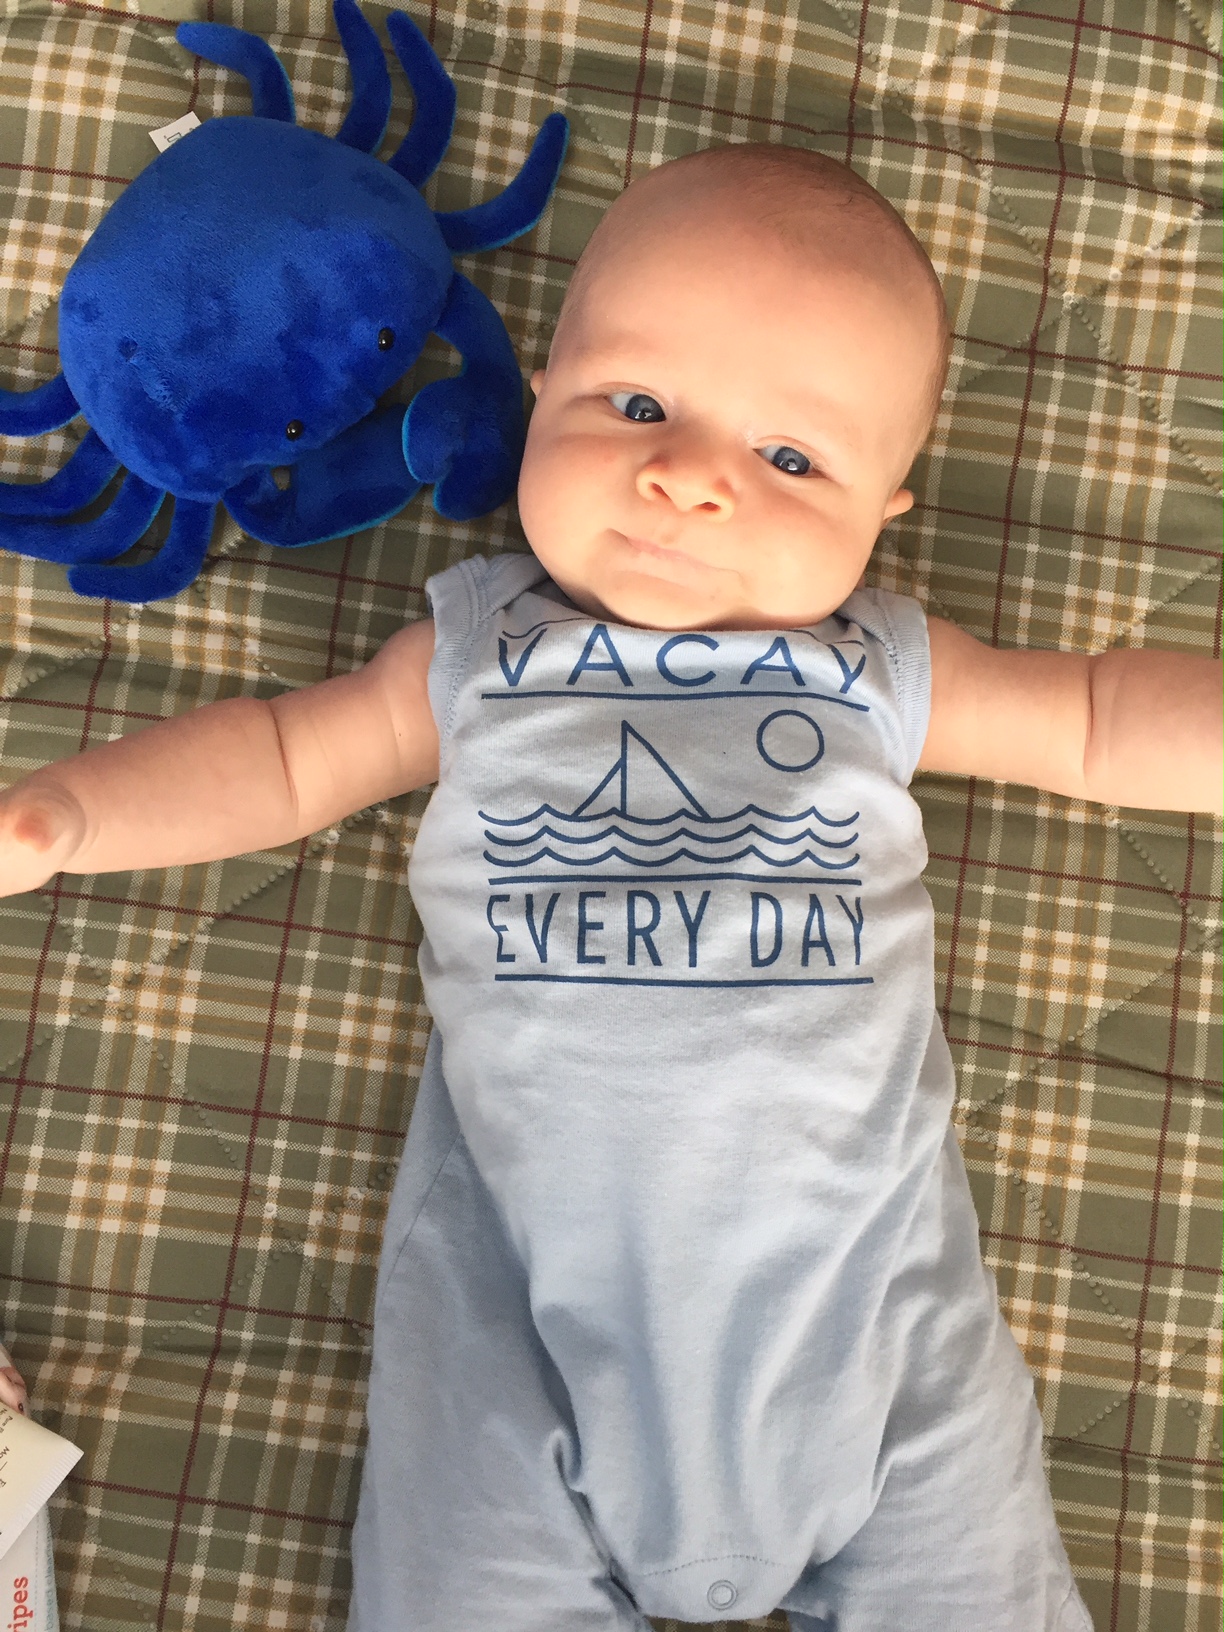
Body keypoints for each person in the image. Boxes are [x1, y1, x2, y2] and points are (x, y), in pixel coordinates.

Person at [1, 142, 1219, 1631]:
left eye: (790, 461)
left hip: (873, 1327)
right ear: (537, 405)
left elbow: (1097, 717)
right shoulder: (479, 653)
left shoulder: (874, 671)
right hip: (517, 1319)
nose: (691, 479)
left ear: (883, 513)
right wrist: (65, 815)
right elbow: (275, 757)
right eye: (636, 405)